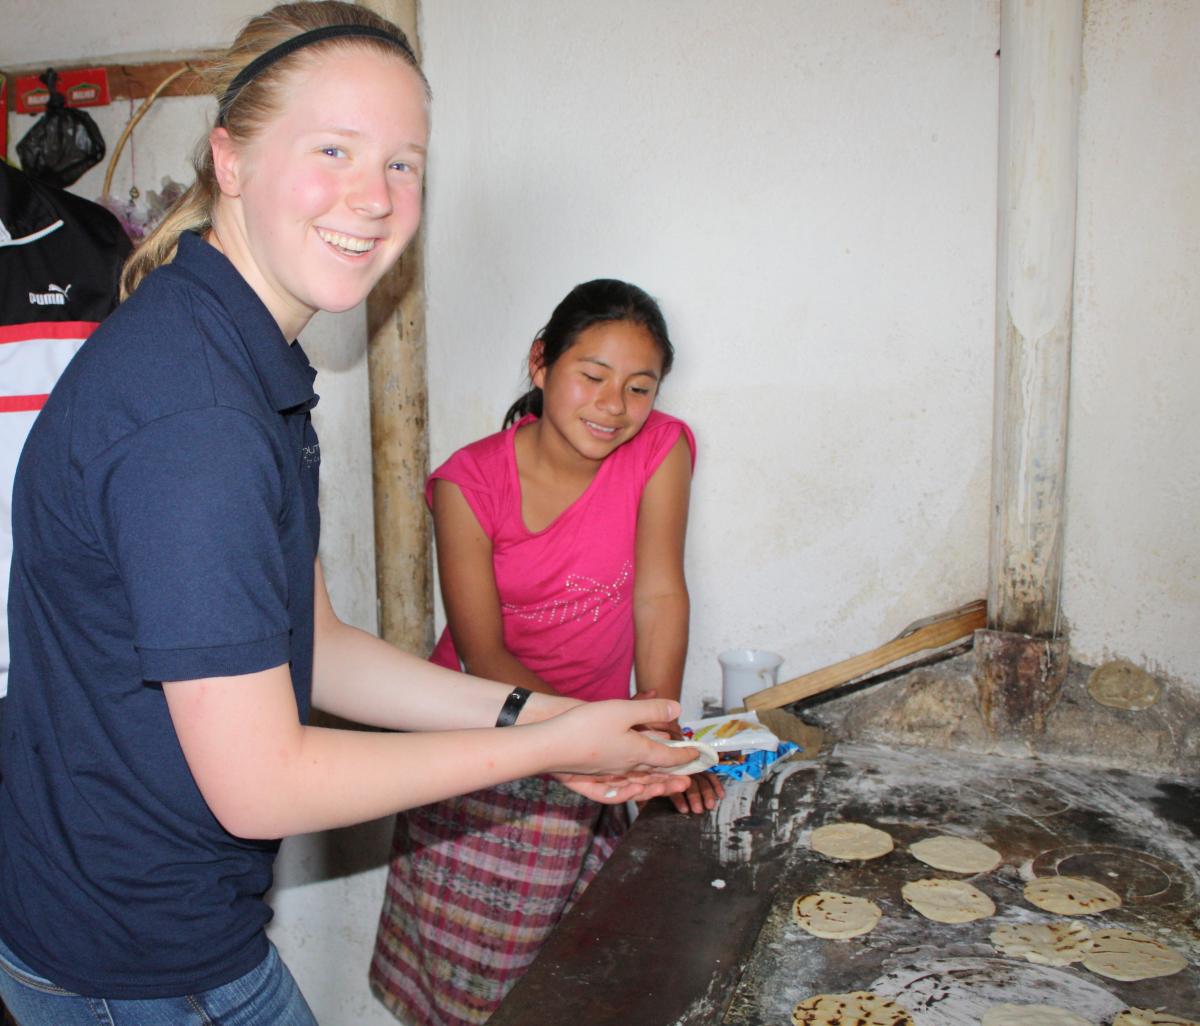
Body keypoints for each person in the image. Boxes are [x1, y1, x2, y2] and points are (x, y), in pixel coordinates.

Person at [0, 5, 693, 1024]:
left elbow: (313, 649)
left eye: (404, 163)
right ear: (230, 161)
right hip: (133, 954)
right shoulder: (197, 414)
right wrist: (549, 750)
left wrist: (548, 717)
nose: (374, 198)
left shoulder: (246, 360)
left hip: (152, 922)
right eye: (334, 149)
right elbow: (262, 783)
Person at [370, 279, 723, 1026]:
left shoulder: (661, 450)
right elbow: (482, 651)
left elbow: (659, 594)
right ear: (541, 364)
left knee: (583, 972)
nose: (613, 406)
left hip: (598, 746)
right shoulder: (469, 483)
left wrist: (657, 733)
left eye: (639, 387)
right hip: (481, 751)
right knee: (477, 993)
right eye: (591, 377)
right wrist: (600, 739)